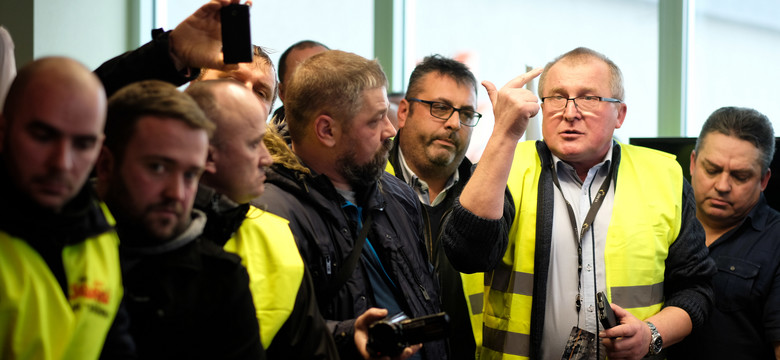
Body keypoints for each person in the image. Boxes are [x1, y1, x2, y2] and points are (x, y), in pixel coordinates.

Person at [442, 47, 716, 359]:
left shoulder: (663, 176)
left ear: (620, 115)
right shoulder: (507, 167)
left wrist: (650, 334)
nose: (570, 112)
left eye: (588, 98)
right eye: (557, 97)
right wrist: (504, 134)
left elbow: (696, 289)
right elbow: (467, 255)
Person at [255, 50, 446, 360]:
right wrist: (346, 336)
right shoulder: (271, 214)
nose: (391, 130)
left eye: (387, 113)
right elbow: (276, 334)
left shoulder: (398, 195)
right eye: (375, 120)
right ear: (326, 130)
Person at [95, 79, 264, 360]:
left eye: (190, 175)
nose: (176, 193)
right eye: (158, 168)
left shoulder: (221, 279)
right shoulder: (61, 252)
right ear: (105, 165)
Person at [184, 78, 339, 359]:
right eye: (254, 144)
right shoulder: (143, 233)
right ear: (206, 154)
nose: (267, 158)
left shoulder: (276, 234)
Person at [0, 57, 133, 359]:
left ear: (99, 149)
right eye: (43, 136)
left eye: (83, 144)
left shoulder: (101, 232)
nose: (62, 163)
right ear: (2, 131)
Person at [386, 54, 485, 359]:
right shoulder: (366, 187)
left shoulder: (487, 198)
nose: (454, 123)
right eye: (440, 108)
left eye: (466, 113)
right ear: (404, 112)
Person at [670, 106, 780, 359]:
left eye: (740, 176)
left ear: (764, 180)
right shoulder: (660, 223)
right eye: (712, 170)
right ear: (694, 163)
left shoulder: (776, 241)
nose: (722, 186)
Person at [95, 0, 277, 110]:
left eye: (261, 93)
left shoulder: (269, 171)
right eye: (232, 81)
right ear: (193, 85)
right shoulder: (144, 138)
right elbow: (90, 103)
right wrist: (174, 53)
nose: (246, 94)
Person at [269, 39, 329, 144]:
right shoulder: (264, 155)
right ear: (282, 93)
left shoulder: (362, 138)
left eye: (325, 76)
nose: (315, 87)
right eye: (301, 80)